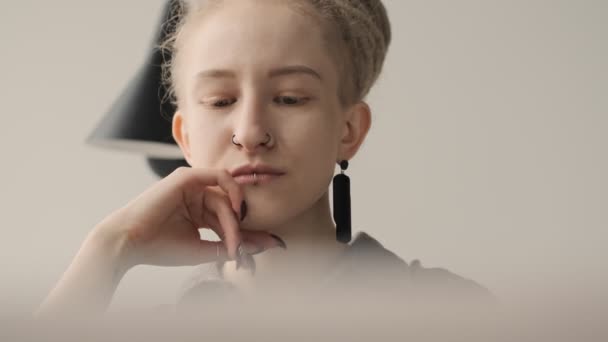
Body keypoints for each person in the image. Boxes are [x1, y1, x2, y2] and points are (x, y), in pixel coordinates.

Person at [35, 0, 494, 321]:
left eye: (290, 98)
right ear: (185, 138)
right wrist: (113, 246)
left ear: (349, 130)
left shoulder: (446, 309)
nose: (250, 132)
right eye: (219, 101)